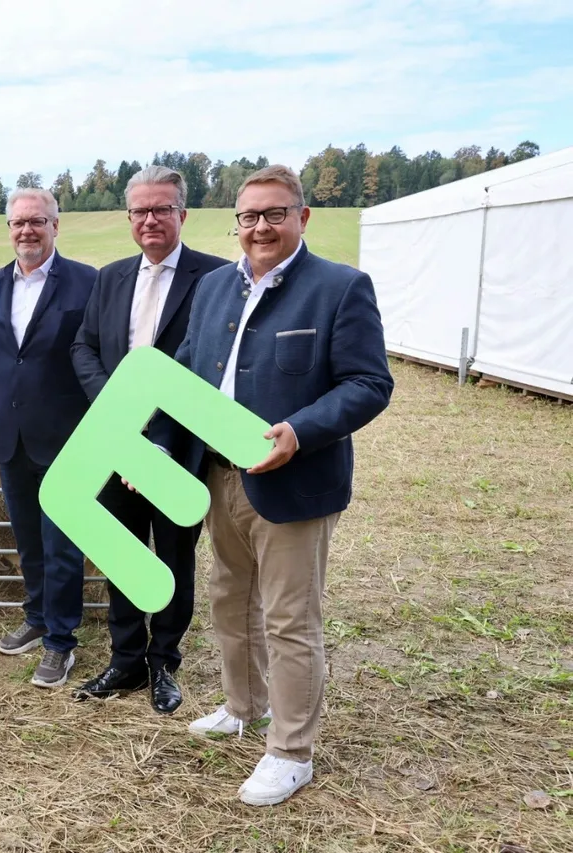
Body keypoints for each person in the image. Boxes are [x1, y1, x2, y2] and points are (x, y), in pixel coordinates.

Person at [150, 165, 394, 805]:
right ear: (237, 223)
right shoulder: (211, 290)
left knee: (289, 619)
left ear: (303, 218)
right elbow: (184, 377)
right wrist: (154, 443)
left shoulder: (340, 288)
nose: (260, 227)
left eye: (275, 214)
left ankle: (291, 751)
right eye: (249, 216)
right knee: (230, 601)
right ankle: (243, 706)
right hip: (219, 474)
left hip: (294, 482)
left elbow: (369, 385)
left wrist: (298, 431)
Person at [69, 166, 228, 713]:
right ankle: (126, 659)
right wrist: (117, 410)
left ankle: (165, 662)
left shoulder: (215, 278)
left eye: (162, 209)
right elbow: (83, 349)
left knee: (174, 555)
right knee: (122, 551)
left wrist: (154, 434)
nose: (151, 219)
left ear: (183, 214)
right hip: (115, 442)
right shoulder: (109, 277)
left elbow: (211, 367)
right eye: (141, 210)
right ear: (129, 218)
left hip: (177, 449)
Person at [0, 188, 98, 689]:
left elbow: (97, 354)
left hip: (67, 436)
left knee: (62, 541)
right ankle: (38, 615)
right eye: (19, 223)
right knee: (27, 538)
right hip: (11, 438)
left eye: (37, 222)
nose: (27, 231)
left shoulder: (86, 281)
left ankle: (61, 642)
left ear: (56, 226)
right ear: (9, 229)